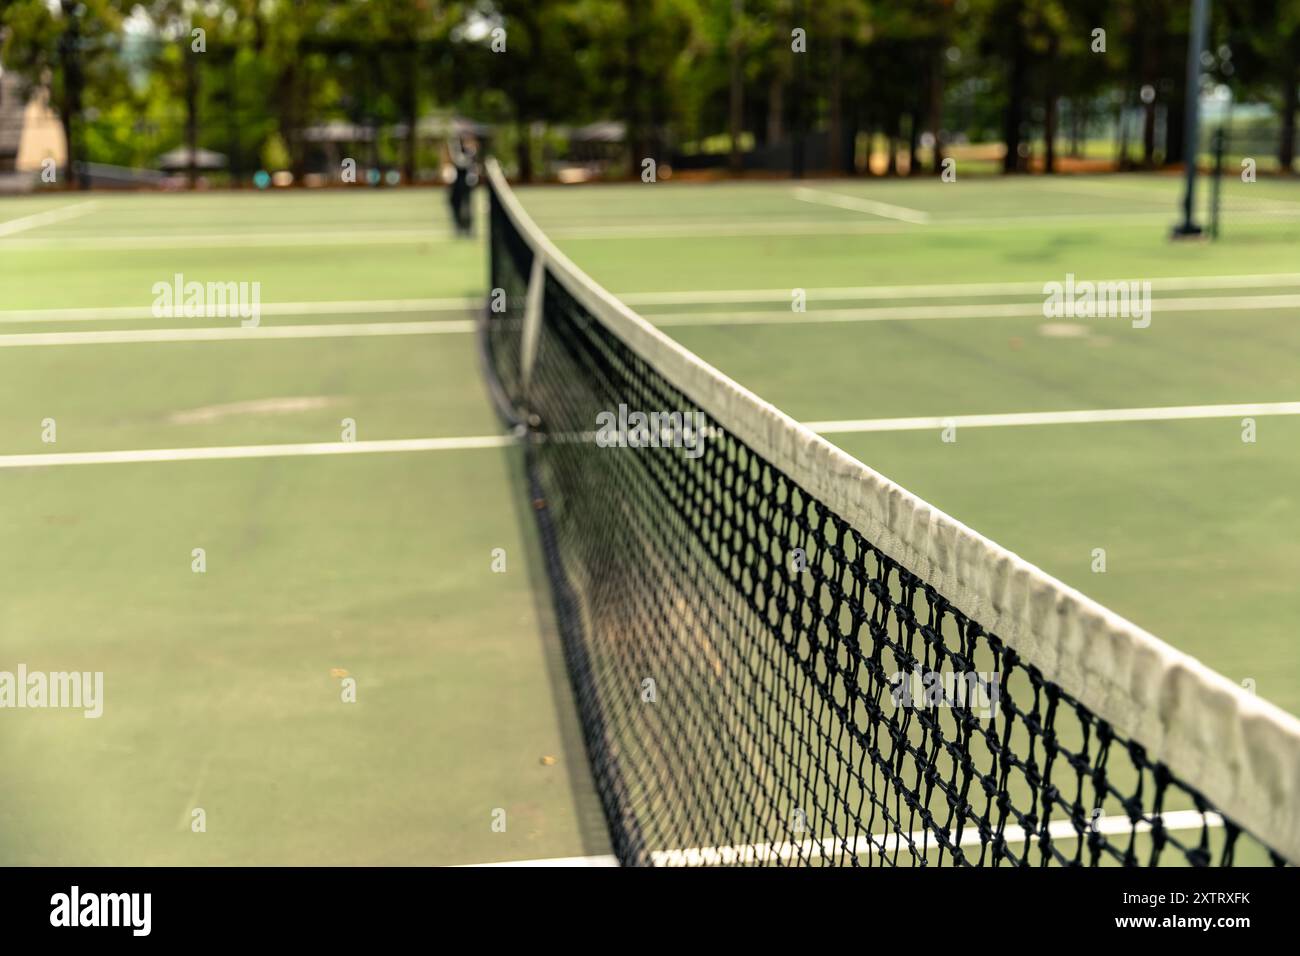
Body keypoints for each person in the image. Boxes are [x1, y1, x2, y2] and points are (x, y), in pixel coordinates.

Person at [447, 134, 479, 237]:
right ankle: (459, 227)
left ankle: (468, 229)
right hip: (456, 184)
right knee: (454, 204)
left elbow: (461, 162)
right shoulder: (457, 150)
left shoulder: (470, 152)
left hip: (466, 183)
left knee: (467, 206)